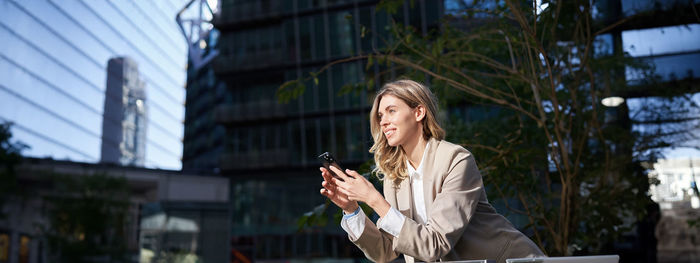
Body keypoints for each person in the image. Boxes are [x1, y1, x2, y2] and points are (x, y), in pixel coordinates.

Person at [319, 80, 544, 263]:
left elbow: (435, 245)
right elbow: (385, 251)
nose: (383, 122)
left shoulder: (456, 160)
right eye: (380, 116)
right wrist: (352, 210)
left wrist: (374, 199)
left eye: (391, 111)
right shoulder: (395, 177)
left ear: (419, 113)